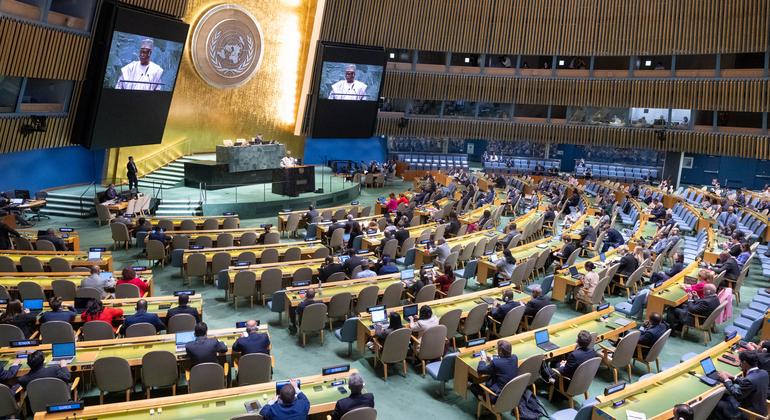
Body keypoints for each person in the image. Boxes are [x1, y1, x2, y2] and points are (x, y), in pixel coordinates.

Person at [714, 351, 769, 419]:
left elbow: (737, 395)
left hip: (749, 413)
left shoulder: (749, 379)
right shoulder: (764, 373)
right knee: (727, 396)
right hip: (761, 407)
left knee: (716, 404)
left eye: (740, 361)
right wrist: (734, 377)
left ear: (744, 362)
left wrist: (726, 379)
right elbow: (751, 384)